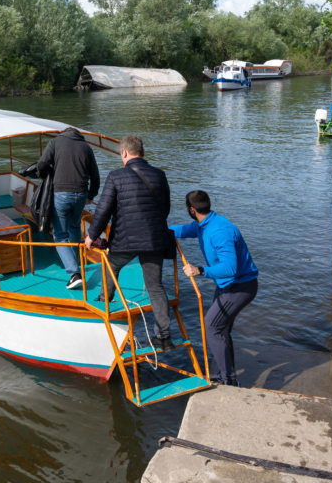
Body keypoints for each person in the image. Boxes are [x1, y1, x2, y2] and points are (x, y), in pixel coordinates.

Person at [84, 135, 174, 351]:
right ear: (141, 152)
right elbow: (166, 207)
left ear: (124, 153)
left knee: (112, 267)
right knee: (155, 287)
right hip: (154, 239)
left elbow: (103, 210)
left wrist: (91, 235)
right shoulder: (160, 175)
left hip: (126, 239)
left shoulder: (116, 176)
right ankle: (164, 337)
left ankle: (105, 301)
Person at [171, 190, 258, 386]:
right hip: (227, 286)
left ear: (191, 209)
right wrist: (160, 230)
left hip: (240, 287)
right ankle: (227, 376)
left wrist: (199, 270)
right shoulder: (205, 223)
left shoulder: (219, 231)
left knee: (212, 328)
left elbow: (230, 268)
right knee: (221, 330)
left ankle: (228, 380)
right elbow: (185, 230)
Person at [36, 127, 100, 290]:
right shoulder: (86, 148)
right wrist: (91, 196)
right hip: (81, 195)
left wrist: (45, 174)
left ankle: (74, 273)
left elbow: (42, 164)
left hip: (61, 195)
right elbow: (96, 177)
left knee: (59, 235)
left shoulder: (55, 142)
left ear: (63, 133)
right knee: (74, 227)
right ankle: (77, 264)